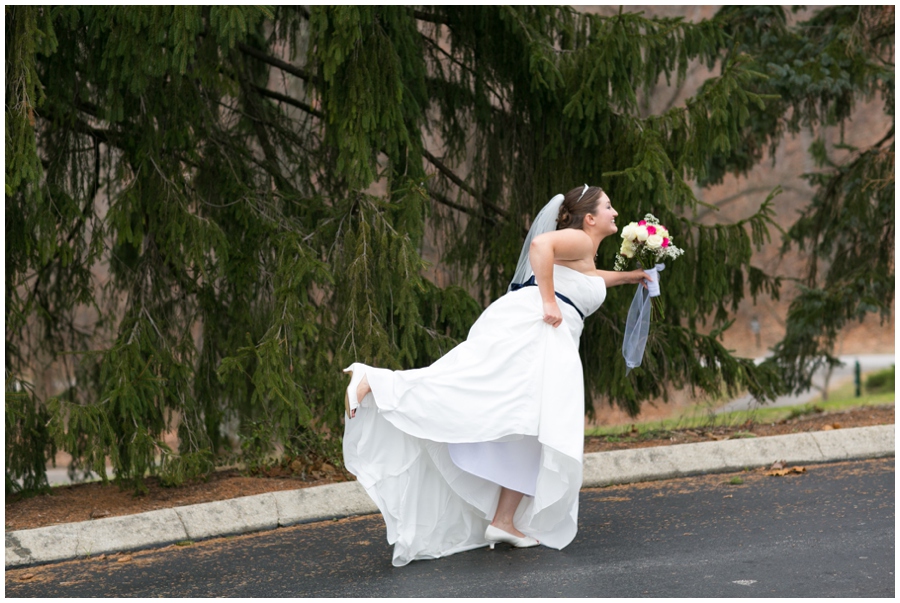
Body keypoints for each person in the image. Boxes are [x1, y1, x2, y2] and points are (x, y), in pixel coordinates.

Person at [342, 185, 652, 567]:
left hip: (547, 337)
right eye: (608, 206)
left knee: (530, 426)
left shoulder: (583, 252)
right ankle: (375, 380)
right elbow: (540, 246)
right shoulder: (578, 241)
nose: (615, 212)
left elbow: (588, 281)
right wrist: (549, 300)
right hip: (533, 329)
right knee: (475, 391)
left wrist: (632, 276)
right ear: (589, 218)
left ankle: (504, 521)